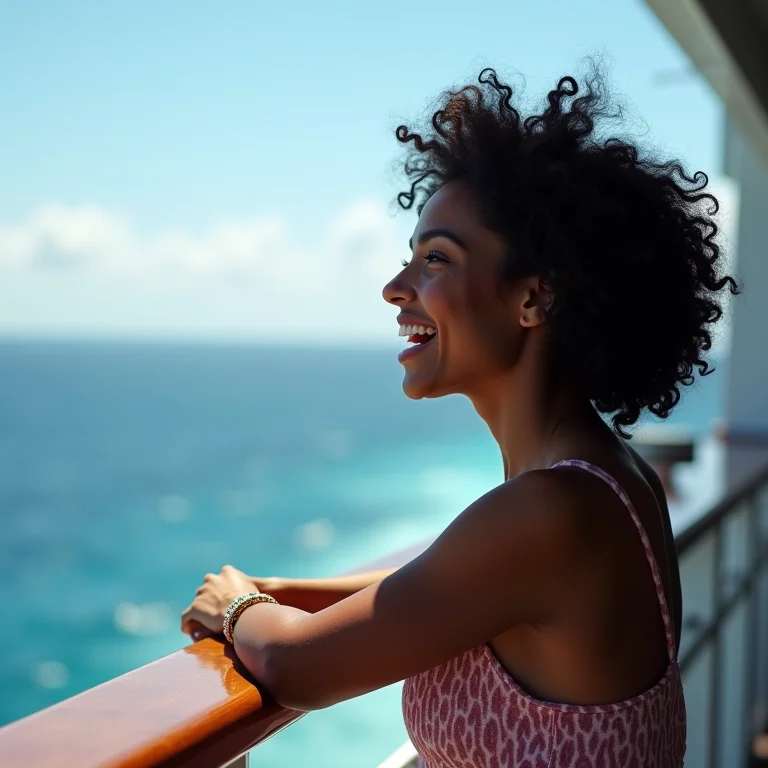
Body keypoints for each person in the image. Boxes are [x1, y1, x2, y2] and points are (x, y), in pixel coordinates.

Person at [181, 66, 738, 766]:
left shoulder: (551, 510)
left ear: (534, 299)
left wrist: (236, 606)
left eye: (436, 259)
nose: (394, 288)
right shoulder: (608, 478)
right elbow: (443, 585)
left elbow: (298, 668)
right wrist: (289, 591)